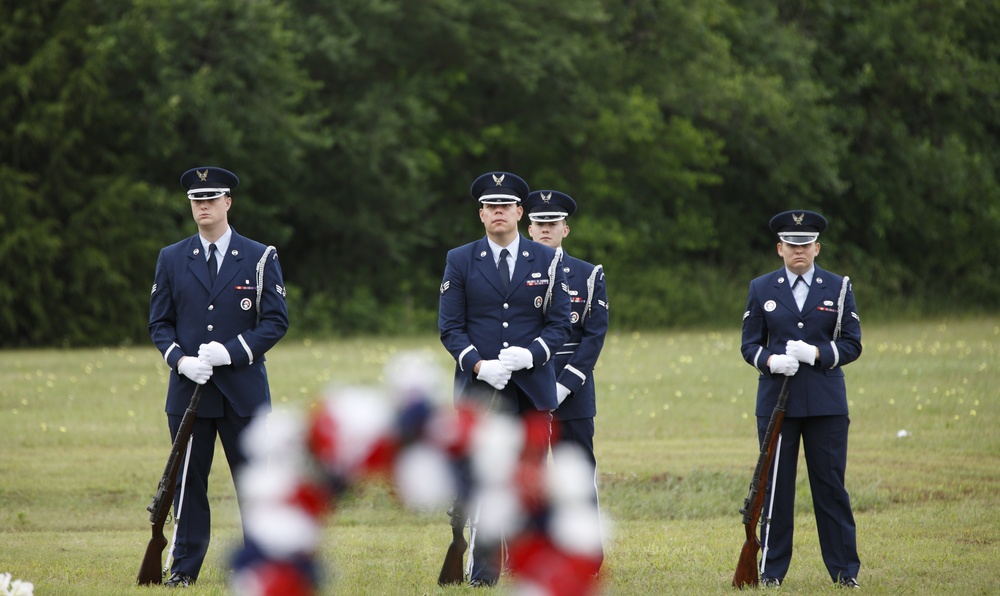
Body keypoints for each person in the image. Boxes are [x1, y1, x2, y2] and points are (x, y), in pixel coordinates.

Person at [149, 166, 289, 588]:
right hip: (189, 391)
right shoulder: (172, 258)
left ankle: (261, 564)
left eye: (211, 198)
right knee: (189, 485)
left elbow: (275, 322)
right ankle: (183, 570)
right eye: (196, 199)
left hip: (242, 391)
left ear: (228, 202)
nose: (203, 206)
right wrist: (180, 360)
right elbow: (160, 324)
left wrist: (231, 352)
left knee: (255, 483)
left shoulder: (260, 256)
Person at [438, 171, 572, 587]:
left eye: (506, 205)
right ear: (481, 214)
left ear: (519, 212)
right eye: (491, 206)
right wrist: (479, 365)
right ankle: (482, 574)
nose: (499, 211)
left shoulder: (548, 260)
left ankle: (533, 568)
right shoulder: (460, 260)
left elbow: (560, 325)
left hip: (530, 389)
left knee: (530, 483)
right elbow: (450, 327)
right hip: (481, 391)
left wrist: (529, 354)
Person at [740, 210, 863, 589]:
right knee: (776, 489)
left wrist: (817, 354)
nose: (799, 251)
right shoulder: (761, 288)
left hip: (826, 403)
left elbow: (853, 344)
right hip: (778, 402)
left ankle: (845, 572)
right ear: (780, 249)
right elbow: (748, 345)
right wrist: (771, 361)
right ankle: (772, 571)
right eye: (792, 245)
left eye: (805, 244)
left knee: (830, 488)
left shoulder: (837, 287)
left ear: (817, 248)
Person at [523, 189, 608, 569]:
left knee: (577, 475)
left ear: (565, 229)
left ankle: (587, 555)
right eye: (539, 223)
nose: (545, 229)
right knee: (527, 477)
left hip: (570, 392)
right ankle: (529, 554)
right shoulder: (511, 272)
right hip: (524, 389)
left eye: (552, 224)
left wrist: (564, 384)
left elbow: (593, 336)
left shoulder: (588, 275)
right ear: (528, 227)